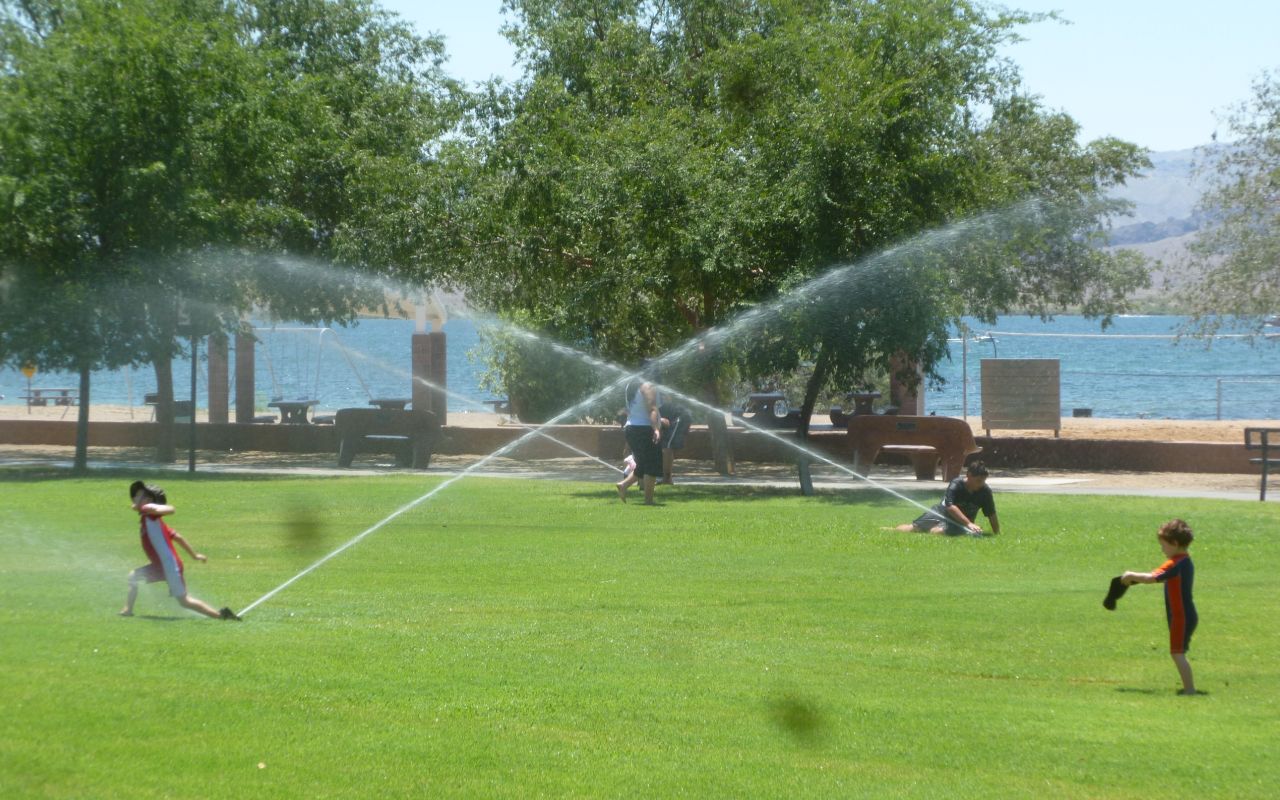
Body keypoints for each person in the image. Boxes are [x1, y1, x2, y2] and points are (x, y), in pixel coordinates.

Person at [120, 481, 239, 620]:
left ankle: (221, 616)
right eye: (135, 496)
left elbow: (171, 509)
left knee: (184, 601)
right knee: (133, 577)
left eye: (139, 496)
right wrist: (194, 555)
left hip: (169, 566)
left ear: (149, 500)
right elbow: (178, 537)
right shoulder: (152, 521)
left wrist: (156, 508)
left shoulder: (150, 512)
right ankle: (127, 610)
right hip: (160, 566)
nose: (135, 498)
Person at [1120, 518, 1198, 695]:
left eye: (1163, 545)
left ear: (1175, 543)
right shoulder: (1184, 561)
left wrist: (1130, 575)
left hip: (1181, 616)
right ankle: (1189, 688)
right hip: (1184, 615)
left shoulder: (1175, 563)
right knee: (1178, 652)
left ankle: (1189, 690)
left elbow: (1151, 578)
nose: (1162, 549)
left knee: (1177, 653)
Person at [894, 461, 1000, 536]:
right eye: (978, 480)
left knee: (938, 532)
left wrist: (997, 533)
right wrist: (969, 524)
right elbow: (950, 506)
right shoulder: (956, 484)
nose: (981, 484)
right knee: (914, 528)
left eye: (983, 481)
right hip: (940, 512)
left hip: (960, 521)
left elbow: (991, 513)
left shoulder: (985, 492)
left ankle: (934, 530)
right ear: (969, 475)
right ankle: (890, 530)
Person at [616, 376, 662, 505]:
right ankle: (649, 500)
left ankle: (623, 485)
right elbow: (652, 409)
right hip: (644, 429)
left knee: (642, 464)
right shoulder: (648, 386)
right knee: (652, 464)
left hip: (632, 428)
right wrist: (656, 429)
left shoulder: (632, 385)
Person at [657, 402, 691, 485]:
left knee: (667, 447)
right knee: (666, 446)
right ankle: (666, 478)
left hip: (678, 416)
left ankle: (667, 479)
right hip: (668, 417)